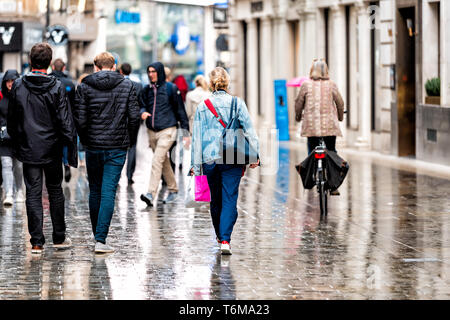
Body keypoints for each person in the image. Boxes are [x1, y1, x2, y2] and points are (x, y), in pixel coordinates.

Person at [7, 43, 77, 254]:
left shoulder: (19, 85)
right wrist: (69, 145)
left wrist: (19, 141)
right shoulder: (56, 86)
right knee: (55, 191)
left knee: (34, 193)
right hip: (52, 148)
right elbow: (66, 121)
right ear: (49, 61)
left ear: (31, 60)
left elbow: (12, 119)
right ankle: (58, 237)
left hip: (29, 147)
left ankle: (37, 241)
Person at [74, 52, 140, 254]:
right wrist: (129, 139)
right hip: (117, 146)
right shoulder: (127, 85)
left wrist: (86, 141)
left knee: (95, 190)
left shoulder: (84, 86)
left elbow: (80, 120)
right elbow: (134, 117)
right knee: (108, 190)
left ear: (95, 66)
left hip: (93, 146)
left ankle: (98, 236)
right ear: (114, 67)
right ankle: (100, 239)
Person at [190, 67, 260, 255]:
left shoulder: (203, 106)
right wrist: (255, 155)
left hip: (209, 158)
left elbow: (196, 137)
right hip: (233, 157)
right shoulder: (238, 104)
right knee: (230, 198)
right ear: (227, 83)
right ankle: (225, 240)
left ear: (211, 84)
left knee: (215, 200)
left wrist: (195, 167)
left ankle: (220, 235)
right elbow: (250, 131)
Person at [139, 62, 190, 207]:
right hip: (151, 131)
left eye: (154, 71)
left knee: (156, 160)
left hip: (168, 130)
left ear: (160, 72)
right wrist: (142, 112)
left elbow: (181, 110)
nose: (151, 74)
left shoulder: (171, 89)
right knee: (163, 161)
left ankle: (150, 194)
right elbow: (141, 105)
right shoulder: (146, 90)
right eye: (149, 71)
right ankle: (173, 189)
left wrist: (186, 132)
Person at [294, 58, 345, 195]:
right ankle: (334, 186)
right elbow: (340, 103)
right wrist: (340, 117)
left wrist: (298, 117)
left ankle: (310, 177)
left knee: (311, 151)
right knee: (332, 151)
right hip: (330, 127)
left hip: (311, 127)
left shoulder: (305, 85)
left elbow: (298, 104)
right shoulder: (332, 85)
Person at [0, 69, 24, 206]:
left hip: (19, 138)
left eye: (12, 81)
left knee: (19, 166)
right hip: (4, 138)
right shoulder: (1, 97)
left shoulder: (22, 96)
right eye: (7, 81)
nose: (10, 84)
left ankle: (19, 190)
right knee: (6, 164)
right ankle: (9, 193)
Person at [50, 58, 76, 183]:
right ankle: (66, 164)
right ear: (64, 68)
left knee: (53, 144)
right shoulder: (69, 83)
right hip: (66, 119)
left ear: (53, 67)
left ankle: (55, 167)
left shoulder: (48, 81)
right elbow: (74, 104)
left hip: (51, 120)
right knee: (66, 143)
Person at [119, 62, 143, 185]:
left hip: (120, 121)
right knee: (132, 147)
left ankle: (117, 175)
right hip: (134, 120)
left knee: (118, 147)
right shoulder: (138, 86)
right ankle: (129, 176)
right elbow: (141, 104)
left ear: (121, 71)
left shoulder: (118, 84)